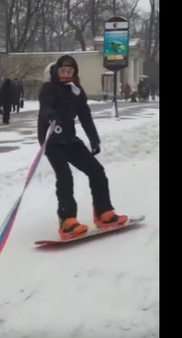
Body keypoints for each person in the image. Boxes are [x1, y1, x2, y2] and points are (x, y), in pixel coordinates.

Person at [38, 55, 128, 240]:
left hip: (70, 139)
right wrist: (51, 116)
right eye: (62, 71)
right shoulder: (49, 88)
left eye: (69, 71)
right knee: (65, 177)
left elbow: (85, 116)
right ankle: (67, 221)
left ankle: (104, 212)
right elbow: (45, 105)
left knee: (97, 171)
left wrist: (93, 139)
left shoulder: (77, 91)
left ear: (74, 73)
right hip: (52, 140)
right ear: (56, 71)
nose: (65, 74)